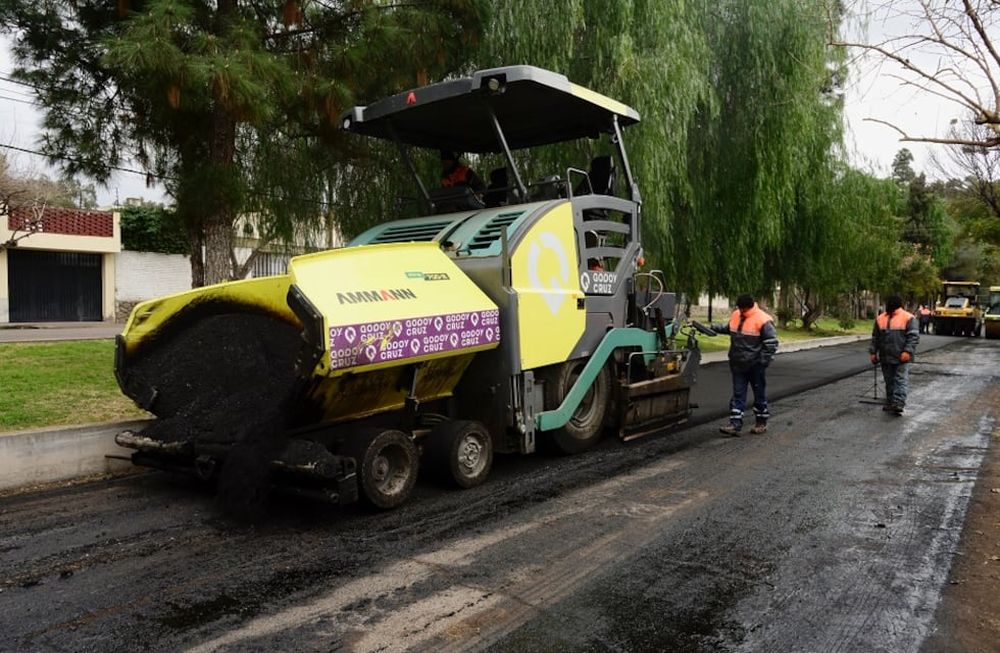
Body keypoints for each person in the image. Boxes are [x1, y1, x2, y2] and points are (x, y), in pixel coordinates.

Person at [708, 294, 779, 436]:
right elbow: (730, 328)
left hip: (755, 365)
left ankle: (761, 422)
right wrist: (713, 328)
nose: (741, 311)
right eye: (739, 309)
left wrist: (762, 361)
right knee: (738, 394)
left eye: (743, 309)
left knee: (759, 393)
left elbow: (771, 343)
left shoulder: (763, 319)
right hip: (737, 363)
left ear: (750, 306)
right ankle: (735, 425)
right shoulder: (736, 314)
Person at [870, 294, 919, 415]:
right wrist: (873, 352)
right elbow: (875, 337)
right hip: (885, 356)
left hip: (901, 356)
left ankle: (898, 403)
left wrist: (907, 351)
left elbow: (913, 337)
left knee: (900, 379)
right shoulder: (881, 318)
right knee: (889, 380)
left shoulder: (908, 318)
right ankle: (891, 401)